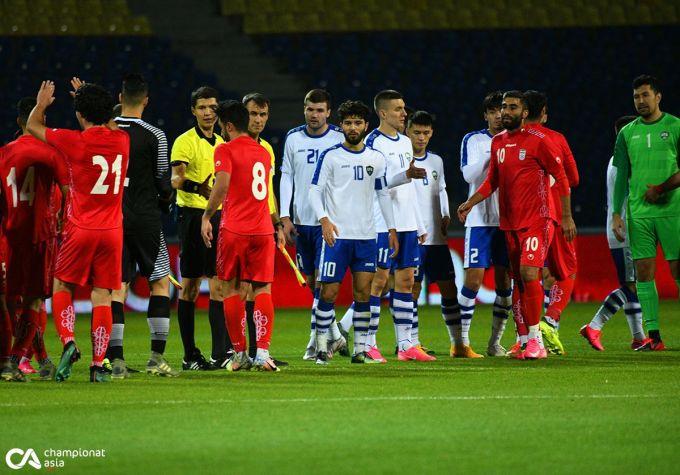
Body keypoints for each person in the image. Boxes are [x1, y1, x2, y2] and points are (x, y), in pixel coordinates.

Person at [457, 90, 575, 360]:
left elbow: (564, 178)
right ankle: (524, 340)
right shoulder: (498, 143)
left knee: (529, 273)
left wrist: (566, 217)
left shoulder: (540, 141)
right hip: (509, 223)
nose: (505, 112)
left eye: (512, 107)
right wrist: (470, 202)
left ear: (524, 113)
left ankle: (535, 340)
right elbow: (492, 182)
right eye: (503, 107)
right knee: (519, 281)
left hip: (537, 219)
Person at [27, 78, 130, 382]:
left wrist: (42, 104)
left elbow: (33, 126)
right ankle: (99, 364)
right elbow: (108, 121)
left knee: (62, 287)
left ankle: (69, 342)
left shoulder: (74, 140)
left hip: (79, 227)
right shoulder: (122, 140)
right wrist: (90, 98)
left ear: (80, 114)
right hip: (112, 231)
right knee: (103, 294)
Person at [308, 100, 398, 364]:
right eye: (348, 122)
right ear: (342, 125)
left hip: (367, 237)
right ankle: (322, 347)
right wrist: (324, 219)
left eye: (358, 122)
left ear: (365, 126)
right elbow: (315, 191)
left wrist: (391, 228)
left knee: (363, 294)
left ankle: (359, 350)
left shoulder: (376, 158)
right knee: (328, 293)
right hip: (337, 237)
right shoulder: (331, 156)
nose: (353, 127)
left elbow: (383, 193)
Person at [200, 100, 285, 371]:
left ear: (227, 125)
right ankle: (262, 353)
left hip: (235, 229)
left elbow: (222, 184)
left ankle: (239, 354)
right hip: (262, 230)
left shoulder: (225, 148)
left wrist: (206, 215)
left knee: (232, 289)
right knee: (263, 289)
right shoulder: (262, 152)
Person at [109, 73, 178, 378]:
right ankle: (156, 358)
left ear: (120, 98)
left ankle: (116, 360)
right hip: (147, 219)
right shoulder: (155, 135)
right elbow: (164, 183)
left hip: (113, 219)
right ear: (146, 101)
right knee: (159, 284)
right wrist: (169, 194)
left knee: (116, 288)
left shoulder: (106, 132)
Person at [610, 75, 680, 351]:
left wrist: (661, 188)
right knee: (643, 273)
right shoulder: (627, 134)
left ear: (658, 96)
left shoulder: (675, 126)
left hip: (672, 212)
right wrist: (617, 213)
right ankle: (654, 335)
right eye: (636, 96)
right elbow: (622, 175)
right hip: (638, 214)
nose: (640, 100)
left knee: (677, 271)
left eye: (645, 95)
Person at [360, 90, 431, 362]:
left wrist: (418, 222)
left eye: (404, 108)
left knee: (406, 281)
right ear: (383, 113)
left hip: (406, 223)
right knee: (377, 282)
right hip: (381, 222)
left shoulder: (404, 142)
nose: (404, 113)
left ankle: (405, 345)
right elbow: (375, 185)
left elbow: (409, 188)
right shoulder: (373, 143)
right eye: (399, 109)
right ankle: (369, 343)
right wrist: (405, 175)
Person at [0, 97, 68, 382]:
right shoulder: (50, 152)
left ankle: (14, 361)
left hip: (9, 234)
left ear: (19, 121)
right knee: (34, 301)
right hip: (40, 236)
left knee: (7, 300)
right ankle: (14, 361)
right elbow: (67, 191)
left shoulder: (3, 153)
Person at [279, 89, 347, 360]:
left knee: (322, 282)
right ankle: (335, 335)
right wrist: (285, 216)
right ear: (304, 109)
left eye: (320, 110)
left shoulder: (339, 137)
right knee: (310, 282)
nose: (314, 114)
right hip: (300, 221)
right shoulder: (293, 137)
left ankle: (317, 345)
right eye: (310, 109)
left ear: (329, 112)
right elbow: (286, 177)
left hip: (328, 223)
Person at [171, 86, 230, 370]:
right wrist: (200, 188)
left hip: (218, 217)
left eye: (212, 108)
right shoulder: (184, 142)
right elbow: (175, 180)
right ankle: (189, 355)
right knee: (191, 287)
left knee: (219, 285)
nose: (208, 112)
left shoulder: (222, 143)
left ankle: (221, 353)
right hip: (192, 216)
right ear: (193, 111)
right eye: (202, 107)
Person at [581, 115, 645, 350]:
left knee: (632, 284)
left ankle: (639, 338)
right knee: (630, 286)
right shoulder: (624, 162)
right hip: (625, 230)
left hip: (621, 229)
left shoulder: (615, 160)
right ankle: (594, 326)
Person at [523, 90, 579, 355]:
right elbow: (574, 178)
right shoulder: (555, 138)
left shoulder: (509, 139)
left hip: (521, 216)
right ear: (543, 112)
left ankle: (524, 336)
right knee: (566, 270)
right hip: (553, 213)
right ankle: (551, 318)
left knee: (524, 276)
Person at [458, 92, 512, 358]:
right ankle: (462, 342)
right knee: (474, 280)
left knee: (505, 284)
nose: (498, 116)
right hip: (479, 220)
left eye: (501, 110)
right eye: (493, 111)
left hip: (508, 221)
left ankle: (494, 343)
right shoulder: (474, 139)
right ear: (486, 115)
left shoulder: (516, 139)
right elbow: (469, 175)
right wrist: (493, 153)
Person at [405, 110, 462, 358]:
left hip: (437, 238)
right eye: (416, 132)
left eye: (426, 132)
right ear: (407, 131)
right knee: (412, 291)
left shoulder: (436, 161)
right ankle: (411, 342)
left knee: (449, 288)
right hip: (415, 237)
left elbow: (443, 189)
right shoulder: (401, 159)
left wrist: (446, 214)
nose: (421, 137)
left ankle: (458, 344)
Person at [242, 92, 290, 366]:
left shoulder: (267, 149)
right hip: (235, 226)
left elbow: (267, 192)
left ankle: (256, 350)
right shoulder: (230, 146)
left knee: (257, 288)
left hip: (260, 225)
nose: (258, 120)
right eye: (253, 114)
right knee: (234, 289)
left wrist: (277, 224)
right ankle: (232, 352)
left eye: (262, 115)